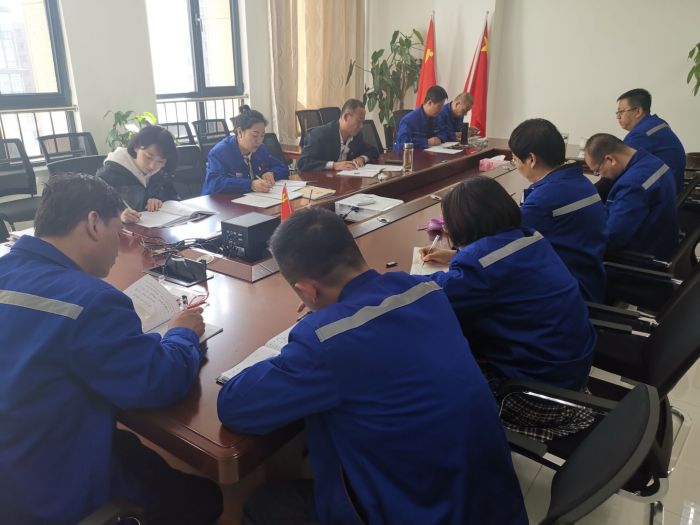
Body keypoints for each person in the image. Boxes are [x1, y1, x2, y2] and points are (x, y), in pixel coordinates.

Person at [218, 207, 527, 525]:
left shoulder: (326, 340)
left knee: (264, 504)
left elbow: (235, 406)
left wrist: (323, 317)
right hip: (496, 505)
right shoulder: (427, 291)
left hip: (424, 513)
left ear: (307, 290)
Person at [0, 174, 222, 525]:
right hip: (50, 490)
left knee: (134, 452)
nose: (119, 246)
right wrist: (182, 333)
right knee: (204, 497)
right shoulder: (91, 301)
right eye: (118, 230)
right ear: (93, 223)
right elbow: (159, 381)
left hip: (14, 461)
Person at [421, 177, 596, 441]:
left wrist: (395, 281)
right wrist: (456, 256)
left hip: (532, 395)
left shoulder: (477, 265)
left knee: (433, 360)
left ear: (461, 225)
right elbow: (500, 268)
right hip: (571, 376)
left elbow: (435, 296)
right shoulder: (531, 237)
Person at [509, 118, 607, 302]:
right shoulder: (582, 182)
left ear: (531, 159)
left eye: (514, 159)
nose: (515, 165)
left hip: (569, 294)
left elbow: (502, 248)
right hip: (591, 278)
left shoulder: (543, 201)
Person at [584, 133, 679, 259]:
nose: (601, 175)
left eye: (597, 171)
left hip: (639, 258)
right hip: (661, 244)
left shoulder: (633, 185)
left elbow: (612, 238)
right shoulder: (654, 162)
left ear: (610, 160)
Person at [97, 125, 179, 223]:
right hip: (123, 230)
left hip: (156, 227)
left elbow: (173, 199)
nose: (152, 166)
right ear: (136, 147)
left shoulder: (159, 172)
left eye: (160, 161)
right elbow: (97, 212)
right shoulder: (110, 174)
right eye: (148, 157)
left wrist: (159, 201)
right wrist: (119, 216)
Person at [202, 105, 289, 195]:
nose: (259, 141)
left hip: (252, 199)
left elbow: (283, 167)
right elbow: (214, 183)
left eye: (262, 136)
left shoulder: (260, 149)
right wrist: (250, 185)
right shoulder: (219, 152)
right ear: (240, 132)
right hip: (220, 201)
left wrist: (272, 173)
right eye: (255, 135)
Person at [616, 88, 686, 194]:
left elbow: (618, 166)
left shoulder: (640, 134)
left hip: (660, 194)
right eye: (617, 112)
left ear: (638, 111)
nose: (618, 117)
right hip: (670, 188)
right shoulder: (657, 123)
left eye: (621, 112)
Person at [296, 99, 379, 172]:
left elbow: (373, 150)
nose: (361, 126)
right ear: (346, 117)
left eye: (362, 122)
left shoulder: (356, 135)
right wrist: (334, 165)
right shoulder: (320, 135)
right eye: (359, 121)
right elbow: (303, 163)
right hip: (322, 182)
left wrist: (362, 158)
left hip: (345, 180)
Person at [393, 84, 448, 151]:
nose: (441, 109)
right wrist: (426, 142)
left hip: (429, 154)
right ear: (430, 103)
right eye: (439, 106)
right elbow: (402, 144)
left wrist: (439, 138)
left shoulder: (437, 117)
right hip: (409, 156)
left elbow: (444, 132)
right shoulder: (408, 120)